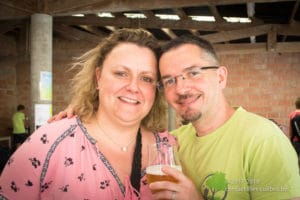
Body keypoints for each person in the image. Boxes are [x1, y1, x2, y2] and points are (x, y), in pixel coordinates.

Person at [47, 35, 300, 200]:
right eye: (169, 80)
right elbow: (117, 130)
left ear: (221, 77)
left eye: (193, 73)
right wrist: (83, 115)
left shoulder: (263, 140)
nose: (181, 88)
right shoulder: (171, 143)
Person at [0, 28, 177, 200]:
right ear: (98, 77)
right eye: (121, 73)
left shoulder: (168, 148)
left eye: (146, 79)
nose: (133, 87)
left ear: (156, 89)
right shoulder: (49, 143)